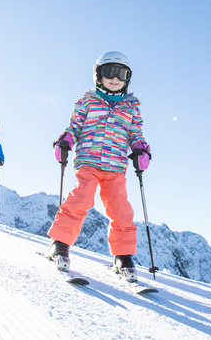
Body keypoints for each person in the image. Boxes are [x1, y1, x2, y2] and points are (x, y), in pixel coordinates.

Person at [45, 51, 151, 282]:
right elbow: (74, 126)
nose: (115, 78)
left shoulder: (131, 107)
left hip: (115, 166)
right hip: (88, 161)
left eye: (122, 74)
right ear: (98, 75)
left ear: (128, 79)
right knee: (80, 199)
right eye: (109, 72)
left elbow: (136, 133)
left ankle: (123, 255)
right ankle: (60, 244)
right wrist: (65, 141)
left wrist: (141, 149)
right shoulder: (87, 101)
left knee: (120, 209)